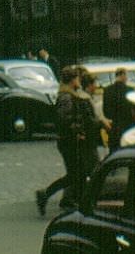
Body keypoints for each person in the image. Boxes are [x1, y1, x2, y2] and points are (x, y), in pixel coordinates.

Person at [36, 65, 88, 215]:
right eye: (77, 78)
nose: (79, 81)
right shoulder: (66, 97)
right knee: (75, 173)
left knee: (76, 173)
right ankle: (46, 194)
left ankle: (53, 196)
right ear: (73, 80)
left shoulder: (68, 94)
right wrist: (77, 131)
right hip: (68, 141)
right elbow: (64, 119)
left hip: (68, 140)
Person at [103, 67, 133, 151]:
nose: (127, 78)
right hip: (127, 127)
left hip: (114, 128)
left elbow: (106, 112)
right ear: (123, 75)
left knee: (114, 152)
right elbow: (132, 111)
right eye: (126, 75)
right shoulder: (130, 90)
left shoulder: (107, 90)